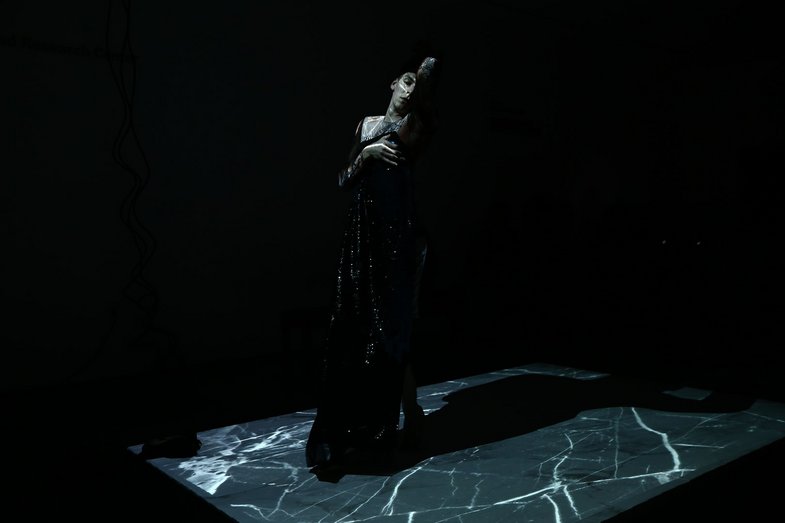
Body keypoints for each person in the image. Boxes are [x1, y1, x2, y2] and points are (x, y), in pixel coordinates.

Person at [305, 51, 441, 470]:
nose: (410, 89)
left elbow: (420, 122)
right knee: (356, 326)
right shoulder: (366, 125)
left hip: (400, 239)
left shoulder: (415, 125)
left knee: (393, 329)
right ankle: (357, 425)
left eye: (416, 84)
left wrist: (425, 73)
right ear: (392, 84)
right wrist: (367, 154)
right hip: (363, 238)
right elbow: (343, 179)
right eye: (406, 80)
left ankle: (405, 416)